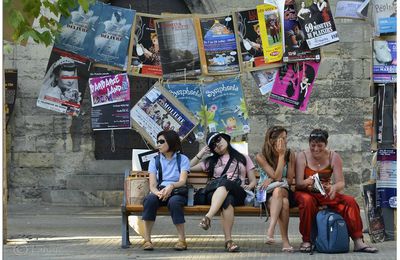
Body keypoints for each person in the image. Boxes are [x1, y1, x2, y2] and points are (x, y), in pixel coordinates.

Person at [294, 129, 378, 253]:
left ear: (326, 145)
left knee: (350, 201)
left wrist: (334, 188)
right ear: (309, 144)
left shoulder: (334, 156)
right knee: (306, 201)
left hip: (325, 192)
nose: (316, 149)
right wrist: (309, 182)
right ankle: (307, 240)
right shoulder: (303, 156)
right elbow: (299, 183)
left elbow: (341, 182)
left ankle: (358, 240)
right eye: (313, 145)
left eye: (320, 146)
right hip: (306, 191)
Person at [190, 132, 257, 252]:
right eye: (213, 145)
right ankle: (228, 241)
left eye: (218, 139)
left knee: (226, 184)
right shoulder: (211, 161)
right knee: (227, 199)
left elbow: (253, 181)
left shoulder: (243, 157)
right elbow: (187, 168)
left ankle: (208, 217)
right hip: (215, 194)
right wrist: (201, 154)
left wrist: (249, 186)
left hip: (238, 192)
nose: (217, 144)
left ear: (225, 138)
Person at [141, 130, 190, 251]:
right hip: (161, 191)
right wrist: (157, 192)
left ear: (171, 142)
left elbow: (182, 181)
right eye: (157, 142)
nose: (158, 144)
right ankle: (147, 240)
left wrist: (171, 186)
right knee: (150, 200)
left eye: (162, 141)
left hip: (177, 191)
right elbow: (152, 184)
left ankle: (182, 240)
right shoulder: (155, 160)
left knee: (174, 202)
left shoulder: (182, 159)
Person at [255, 126, 295, 252]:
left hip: (284, 189)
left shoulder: (290, 154)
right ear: (272, 141)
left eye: (285, 138)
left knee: (279, 191)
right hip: (267, 193)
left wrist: (272, 179)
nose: (285, 141)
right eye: (282, 138)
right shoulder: (261, 156)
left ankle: (270, 230)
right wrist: (281, 155)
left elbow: (288, 179)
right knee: (284, 203)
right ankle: (285, 242)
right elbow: (278, 177)